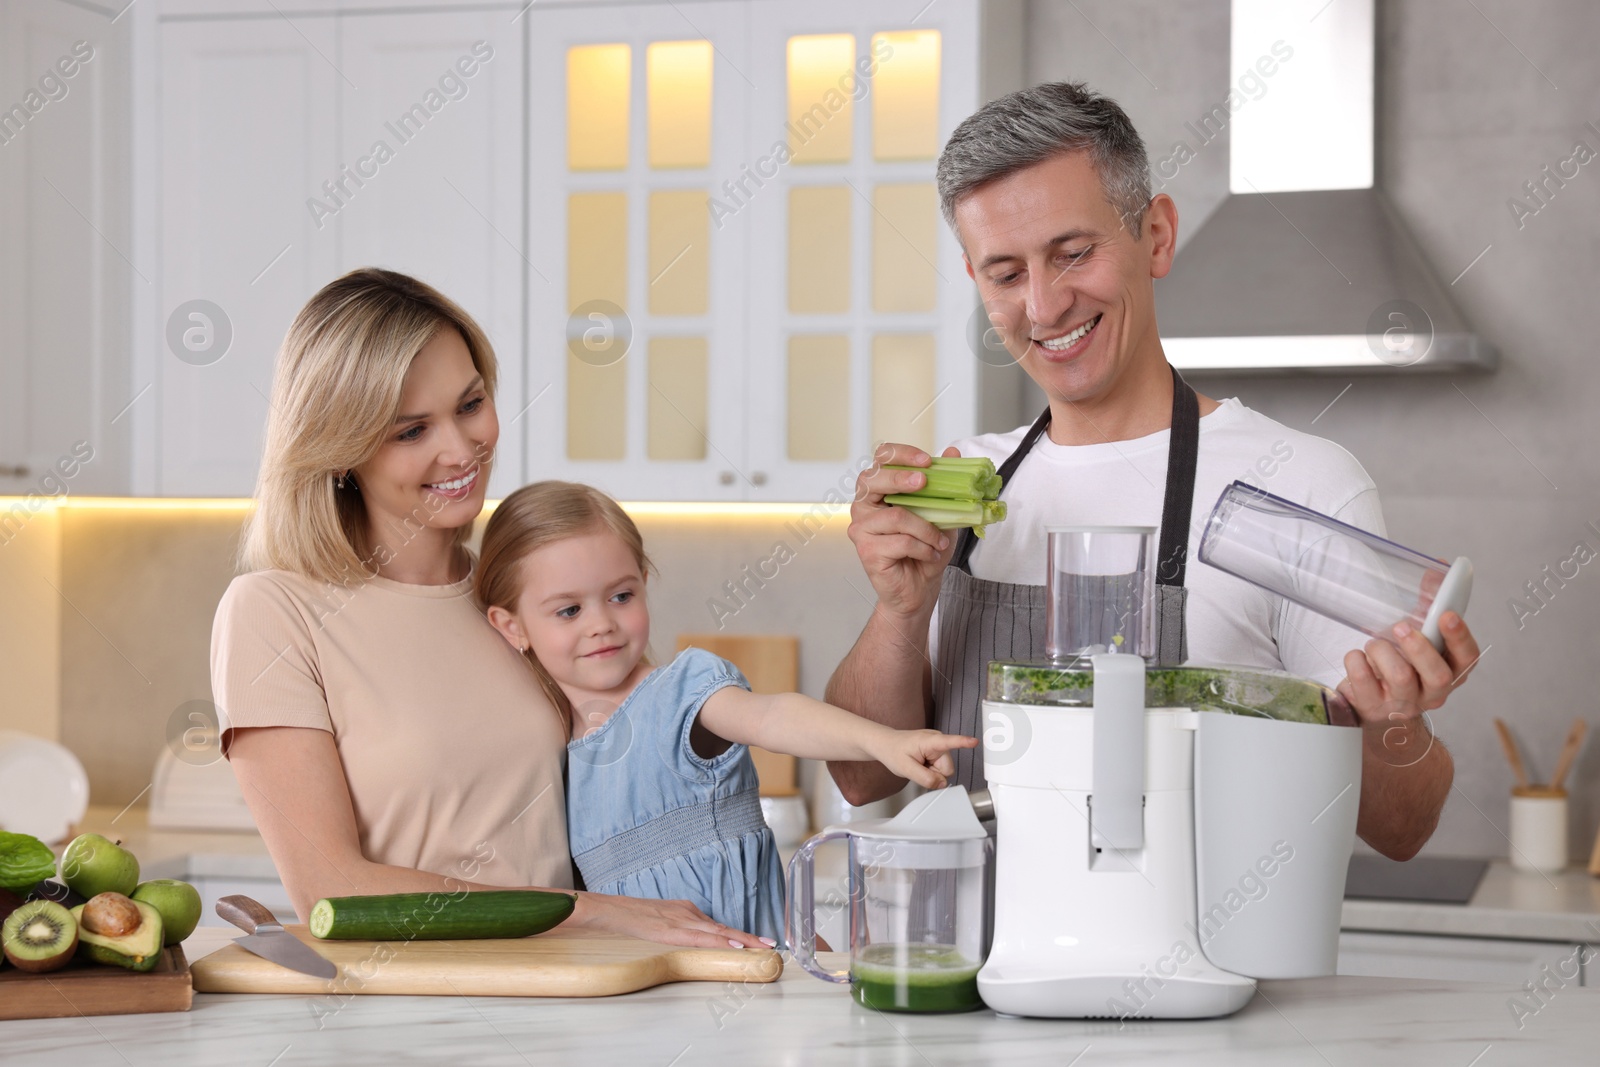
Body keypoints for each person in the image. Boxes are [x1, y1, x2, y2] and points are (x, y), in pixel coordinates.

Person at [824, 82, 1481, 862]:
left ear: (1157, 235)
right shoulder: (971, 484)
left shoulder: (1300, 487)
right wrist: (901, 610)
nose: (1044, 304)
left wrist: (1391, 722)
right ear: (977, 283)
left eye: (1073, 254)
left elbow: (1405, 828)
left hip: (1204, 979)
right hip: (984, 977)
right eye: (1006, 273)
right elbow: (864, 776)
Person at [212, 268, 763, 947]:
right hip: (414, 1016)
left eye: (469, 404)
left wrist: (756, 903)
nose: (461, 447)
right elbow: (331, 886)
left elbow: (647, 784)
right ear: (341, 448)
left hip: (582, 993)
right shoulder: (276, 612)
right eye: (411, 430)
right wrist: (586, 911)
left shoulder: (525, 600)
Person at [474, 480, 976, 945]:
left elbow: (772, 717)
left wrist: (883, 742)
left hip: (756, 978)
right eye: (569, 610)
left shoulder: (681, 693)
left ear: (645, 582)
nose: (601, 623)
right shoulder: (552, 748)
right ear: (511, 626)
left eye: (621, 596)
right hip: (642, 999)